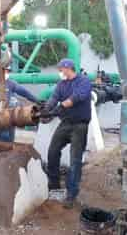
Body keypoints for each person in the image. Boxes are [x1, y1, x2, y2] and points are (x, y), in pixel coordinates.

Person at [44, 58, 92, 209]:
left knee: (75, 160)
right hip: (65, 123)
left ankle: (71, 195)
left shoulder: (83, 81)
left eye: (60, 69)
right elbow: (54, 97)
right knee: (52, 152)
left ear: (68, 68)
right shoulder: (61, 84)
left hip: (80, 125)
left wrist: (60, 107)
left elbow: (76, 97)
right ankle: (54, 186)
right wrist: (46, 109)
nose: (59, 72)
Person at [0, 66, 38, 142]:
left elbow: (24, 92)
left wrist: (36, 100)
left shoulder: (11, 84)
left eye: (8, 71)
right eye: (4, 71)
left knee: (7, 141)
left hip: (7, 118)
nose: (6, 73)